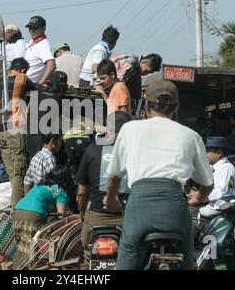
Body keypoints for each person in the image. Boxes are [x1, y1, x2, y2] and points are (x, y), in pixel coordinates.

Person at [103, 80, 214, 270]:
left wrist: (110, 198)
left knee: (128, 252)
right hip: (175, 211)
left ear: (146, 106)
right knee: (187, 259)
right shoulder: (190, 135)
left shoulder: (130, 130)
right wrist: (199, 196)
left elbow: (114, 176)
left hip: (139, 209)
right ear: (176, 107)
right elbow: (207, 182)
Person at [76, 111, 132, 269]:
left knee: (86, 257)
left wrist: (83, 211)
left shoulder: (92, 149)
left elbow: (81, 192)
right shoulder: (136, 152)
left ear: (107, 128)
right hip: (127, 219)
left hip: (96, 216)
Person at [12, 165, 71, 270]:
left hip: (17, 211)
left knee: (22, 246)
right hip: (32, 215)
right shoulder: (60, 191)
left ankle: (9, 265)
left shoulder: (40, 185)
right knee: (31, 249)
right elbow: (61, 216)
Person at [0, 58, 37, 206]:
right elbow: (37, 93)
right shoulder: (22, 78)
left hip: (1, 132)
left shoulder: (0, 80)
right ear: (24, 70)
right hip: (15, 130)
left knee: (12, 173)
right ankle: (17, 209)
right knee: (19, 173)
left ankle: (14, 206)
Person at [199, 137, 235, 218]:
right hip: (207, 215)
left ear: (219, 153)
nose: (205, 154)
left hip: (219, 217)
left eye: (208, 151)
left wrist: (199, 196)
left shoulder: (226, 168)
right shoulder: (213, 167)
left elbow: (220, 193)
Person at [24, 16, 56, 85]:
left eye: (35, 28)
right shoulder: (32, 43)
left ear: (43, 29)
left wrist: (40, 84)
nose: (32, 31)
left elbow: (52, 65)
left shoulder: (43, 44)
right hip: (24, 85)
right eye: (30, 28)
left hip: (32, 88)